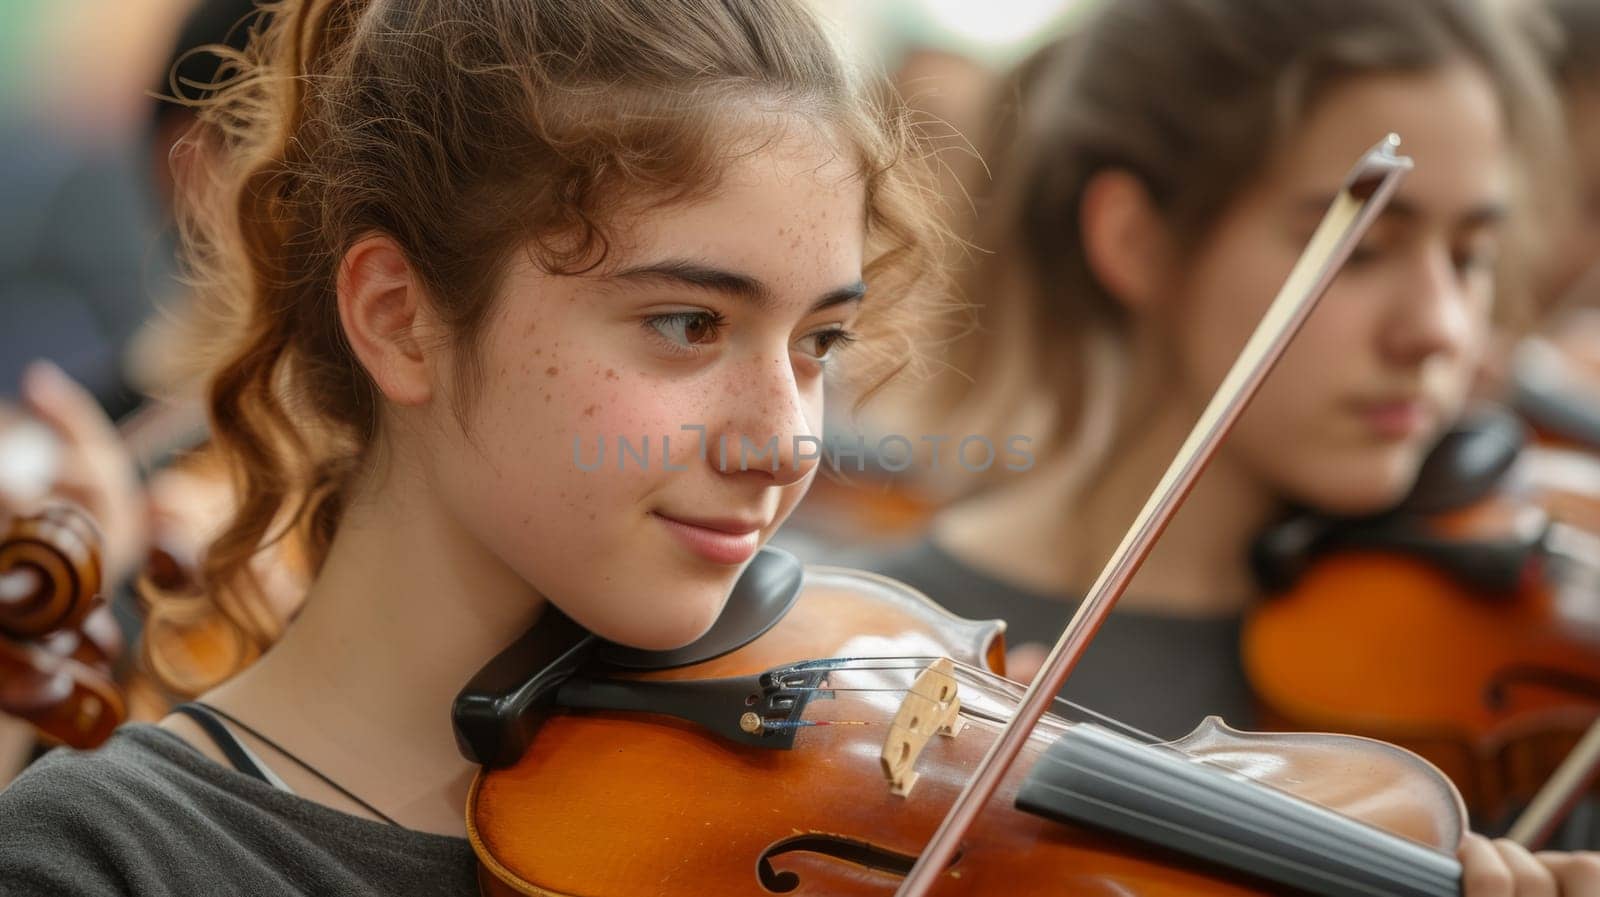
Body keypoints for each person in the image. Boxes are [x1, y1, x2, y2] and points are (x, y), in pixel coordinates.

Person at [0, 0, 1587, 894]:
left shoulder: (816, 820)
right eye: (688, 325)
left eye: (819, 342)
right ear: (403, 320)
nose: (789, 439)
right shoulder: (107, 862)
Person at [864, 0, 1600, 854]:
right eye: (1362, 248)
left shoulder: (1508, 707)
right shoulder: (862, 652)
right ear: (1135, 239)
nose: (1441, 326)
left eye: (1469, 255)